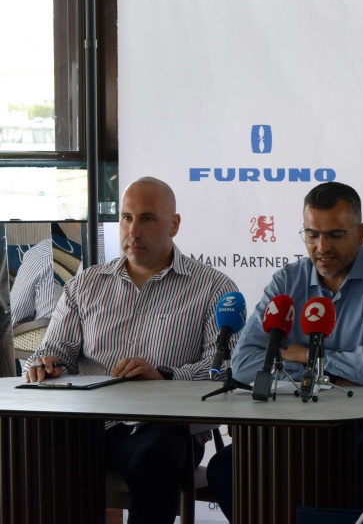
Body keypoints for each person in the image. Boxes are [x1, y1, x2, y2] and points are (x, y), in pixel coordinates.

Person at [25, 177, 239, 524]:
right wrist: (45, 365)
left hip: (162, 426)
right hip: (87, 423)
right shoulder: (86, 284)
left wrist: (166, 376)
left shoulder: (214, 288)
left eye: (147, 218)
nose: (133, 231)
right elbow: (53, 352)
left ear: (174, 224)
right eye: (126, 217)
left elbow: (226, 369)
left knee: (157, 454)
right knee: (24, 446)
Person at [206, 181, 363, 520]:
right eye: (312, 235)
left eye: (335, 235)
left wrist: (309, 357)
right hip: (302, 425)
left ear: (362, 233)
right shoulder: (287, 280)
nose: (322, 247)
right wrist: (327, 377)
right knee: (226, 467)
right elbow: (245, 361)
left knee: (352, 465)